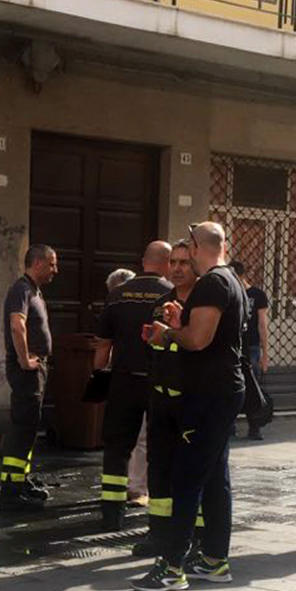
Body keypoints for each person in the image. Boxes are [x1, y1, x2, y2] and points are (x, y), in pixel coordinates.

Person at [134, 222, 246, 591]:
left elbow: (197, 340)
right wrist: (181, 322)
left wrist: (169, 334)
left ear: (199, 247)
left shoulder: (213, 283)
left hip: (209, 394)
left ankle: (171, 566)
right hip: (223, 390)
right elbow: (210, 334)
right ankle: (215, 559)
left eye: (188, 251)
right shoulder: (232, 281)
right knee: (215, 477)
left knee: (186, 477)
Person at [95, 241, 173, 531]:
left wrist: (98, 377)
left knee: (116, 448)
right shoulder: (172, 294)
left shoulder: (117, 295)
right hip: (158, 382)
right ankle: (159, 518)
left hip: (123, 381)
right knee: (159, 448)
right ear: (166, 263)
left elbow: (103, 345)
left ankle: (111, 513)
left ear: (143, 261)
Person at [135, 239, 197, 557]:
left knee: (190, 472)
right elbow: (152, 348)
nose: (177, 268)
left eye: (184, 262)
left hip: (191, 401)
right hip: (160, 399)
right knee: (158, 468)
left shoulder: (203, 307)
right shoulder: (160, 303)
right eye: (173, 262)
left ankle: (196, 536)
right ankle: (158, 534)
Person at [0, 245, 57, 511]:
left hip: (36, 368)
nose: (55, 270)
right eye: (51, 264)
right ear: (36, 263)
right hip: (27, 370)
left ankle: (20, 480)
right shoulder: (21, 289)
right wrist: (24, 360)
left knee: (29, 427)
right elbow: (16, 324)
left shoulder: (34, 290)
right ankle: (10, 492)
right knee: (22, 427)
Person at [104, 268, 147, 507]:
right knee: (136, 438)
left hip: (131, 379)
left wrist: (99, 372)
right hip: (134, 378)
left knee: (136, 439)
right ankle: (132, 487)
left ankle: (135, 488)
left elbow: (105, 343)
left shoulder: (119, 303)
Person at [230, 260, 271, 440]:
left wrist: (265, 354)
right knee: (230, 386)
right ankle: (230, 426)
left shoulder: (257, 295)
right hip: (234, 347)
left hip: (251, 347)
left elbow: (262, 325)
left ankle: (254, 427)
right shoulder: (230, 293)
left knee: (252, 387)